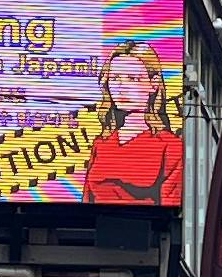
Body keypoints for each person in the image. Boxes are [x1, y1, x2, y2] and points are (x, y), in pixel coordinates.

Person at [77, 43, 186, 206]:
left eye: (133, 78)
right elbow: (85, 203)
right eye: (114, 78)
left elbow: (170, 207)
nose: (121, 87)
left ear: (153, 84)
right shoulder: (101, 144)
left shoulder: (170, 145)